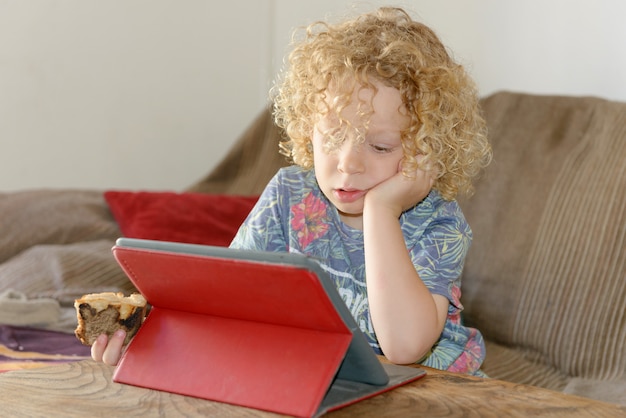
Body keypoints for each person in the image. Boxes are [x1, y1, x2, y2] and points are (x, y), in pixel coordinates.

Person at [93, 6, 492, 375]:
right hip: (319, 376)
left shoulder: (440, 225)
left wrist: (382, 211)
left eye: (380, 146)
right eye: (333, 138)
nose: (348, 163)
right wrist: (148, 335)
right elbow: (223, 300)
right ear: (307, 133)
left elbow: (405, 348)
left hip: (431, 391)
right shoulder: (290, 195)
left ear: (428, 150)